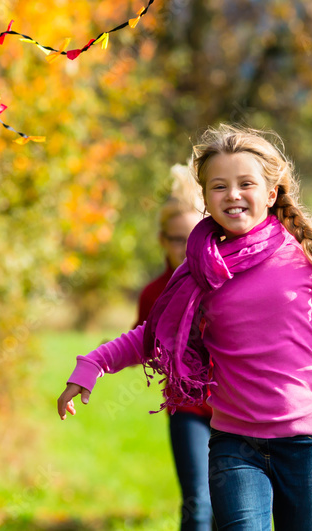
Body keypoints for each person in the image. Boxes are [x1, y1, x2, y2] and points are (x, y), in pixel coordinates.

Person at [57, 123, 312, 531]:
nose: (232, 194)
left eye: (245, 183)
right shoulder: (199, 267)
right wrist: (91, 366)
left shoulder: (301, 255)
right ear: (205, 198)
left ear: (270, 192)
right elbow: (154, 334)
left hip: (308, 445)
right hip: (235, 444)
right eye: (219, 186)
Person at [138, 164, 215, 531]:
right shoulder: (153, 294)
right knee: (198, 505)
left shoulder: (223, 282)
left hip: (239, 408)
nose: (183, 248)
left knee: (234, 511)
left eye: (191, 237)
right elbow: (141, 344)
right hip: (188, 410)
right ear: (161, 240)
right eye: (174, 239)